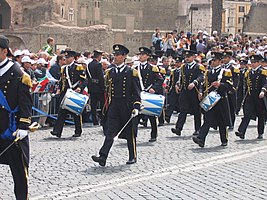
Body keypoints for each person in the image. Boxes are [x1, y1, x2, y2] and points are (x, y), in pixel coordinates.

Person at [91, 44, 141, 166]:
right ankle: (103, 156)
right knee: (110, 132)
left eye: (118, 55)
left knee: (129, 132)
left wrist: (136, 106)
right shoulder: (110, 72)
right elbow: (107, 91)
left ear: (124, 56)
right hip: (114, 105)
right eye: (114, 54)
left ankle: (132, 156)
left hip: (126, 105)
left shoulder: (131, 72)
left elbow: (137, 92)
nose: (115, 57)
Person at [0, 35, 33, 199]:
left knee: (19, 171)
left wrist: (23, 126)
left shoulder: (19, 74)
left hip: (12, 129)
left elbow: (26, 104)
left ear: (4, 51)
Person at [192, 52, 233, 147]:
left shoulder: (225, 72)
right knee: (208, 119)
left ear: (219, 61)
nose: (213, 62)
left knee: (222, 121)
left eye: (214, 60)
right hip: (210, 99)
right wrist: (201, 92)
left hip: (220, 99)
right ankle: (201, 139)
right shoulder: (208, 72)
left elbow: (230, 86)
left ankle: (224, 139)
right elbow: (203, 84)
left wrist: (220, 85)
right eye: (212, 61)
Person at [50, 50, 86, 138]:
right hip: (65, 92)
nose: (66, 59)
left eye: (68, 57)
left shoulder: (79, 67)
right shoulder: (63, 68)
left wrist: (80, 88)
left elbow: (84, 80)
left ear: (73, 58)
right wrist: (59, 89)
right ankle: (57, 131)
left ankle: (78, 131)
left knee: (76, 113)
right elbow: (62, 81)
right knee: (61, 112)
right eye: (65, 57)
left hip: (74, 92)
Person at [171, 50, 205, 136]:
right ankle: (178, 128)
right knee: (183, 110)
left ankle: (197, 129)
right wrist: (177, 85)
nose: (187, 58)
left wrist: (194, 82)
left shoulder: (198, 67)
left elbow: (201, 77)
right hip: (185, 91)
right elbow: (180, 78)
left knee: (196, 111)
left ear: (193, 57)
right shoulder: (183, 67)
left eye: (189, 57)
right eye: (186, 57)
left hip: (194, 91)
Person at [134, 47, 163, 142]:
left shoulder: (152, 68)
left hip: (148, 94)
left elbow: (160, 80)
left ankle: (154, 134)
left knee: (151, 116)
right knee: (135, 115)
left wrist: (154, 88)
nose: (140, 56)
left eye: (143, 55)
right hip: (138, 94)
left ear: (147, 56)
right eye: (140, 54)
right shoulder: (135, 68)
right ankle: (133, 135)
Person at [235, 55, 267, 140]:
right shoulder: (248, 72)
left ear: (259, 63)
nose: (252, 64)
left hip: (259, 97)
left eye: (254, 62)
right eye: (251, 62)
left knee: (261, 115)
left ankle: (260, 132)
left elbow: (265, 83)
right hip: (250, 96)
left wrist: (263, 91)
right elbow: (245, 85)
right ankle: (241, 131)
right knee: (247, 114)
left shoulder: (263, 72)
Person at [86, 50, 105, 126]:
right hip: (99, 88)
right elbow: (101, 77)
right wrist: (103, 88)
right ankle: (103, 119)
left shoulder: (89, 65)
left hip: (91, 87)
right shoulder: (98, 65)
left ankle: (95, 120)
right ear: (99, 56)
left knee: (93, 105)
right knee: (103, 105)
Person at [165, 56, 183, 123]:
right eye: (176, 62)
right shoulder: (174, 71)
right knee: (171, 103)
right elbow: (170, 80)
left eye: (178, 62)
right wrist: (168, 87)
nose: (177, 64)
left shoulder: (182, 70)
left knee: (180, 104)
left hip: (180, 89)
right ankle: (167, 116)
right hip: (173, 89)